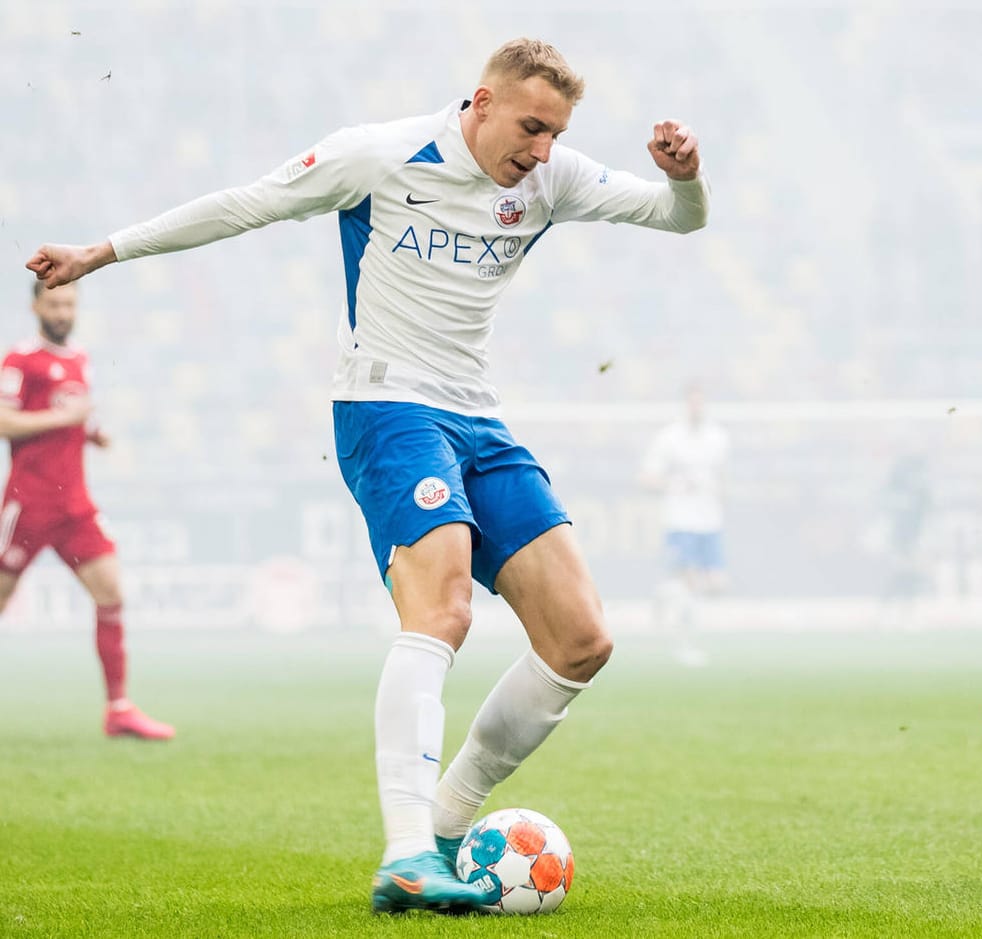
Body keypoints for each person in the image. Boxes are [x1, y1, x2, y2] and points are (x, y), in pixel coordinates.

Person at [27, 38, 707, 912]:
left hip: (478, 417)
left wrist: (685, 175)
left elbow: (679, 218)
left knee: (581, 638)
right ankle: (406, 852)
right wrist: (101, 252)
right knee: (444, 609)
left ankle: (450, 822)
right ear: (482, 102)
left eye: (556, 133)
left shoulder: (552, 176)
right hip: (386, 407)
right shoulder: (383, 155)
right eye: (531, 127)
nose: (542, 151)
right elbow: (246, 205)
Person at [0, 283, 175, 741]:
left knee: (111, 590)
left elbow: (78, 415)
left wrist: (94, 433)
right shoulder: (20, 360)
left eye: (69, 304)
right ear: (35, 305)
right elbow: (4, 421)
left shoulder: (80, 359)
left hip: (74, 503)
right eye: (54, 304)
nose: (62, 312)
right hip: (28, 502)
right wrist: (64, 420)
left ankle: (118, 709)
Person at [640, 384, 729, 666]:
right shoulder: (669, 438)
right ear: (685, 404)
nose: (696, 407)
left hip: (710, 520)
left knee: (715, 585)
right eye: (692, 402)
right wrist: (676, 484)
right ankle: (685, 645)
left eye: (700, 402)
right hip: (680, 520)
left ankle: (663, 594)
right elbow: (647, 477)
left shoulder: (718, 437)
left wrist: (717, 490)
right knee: (689, 584)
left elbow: (724, 477)